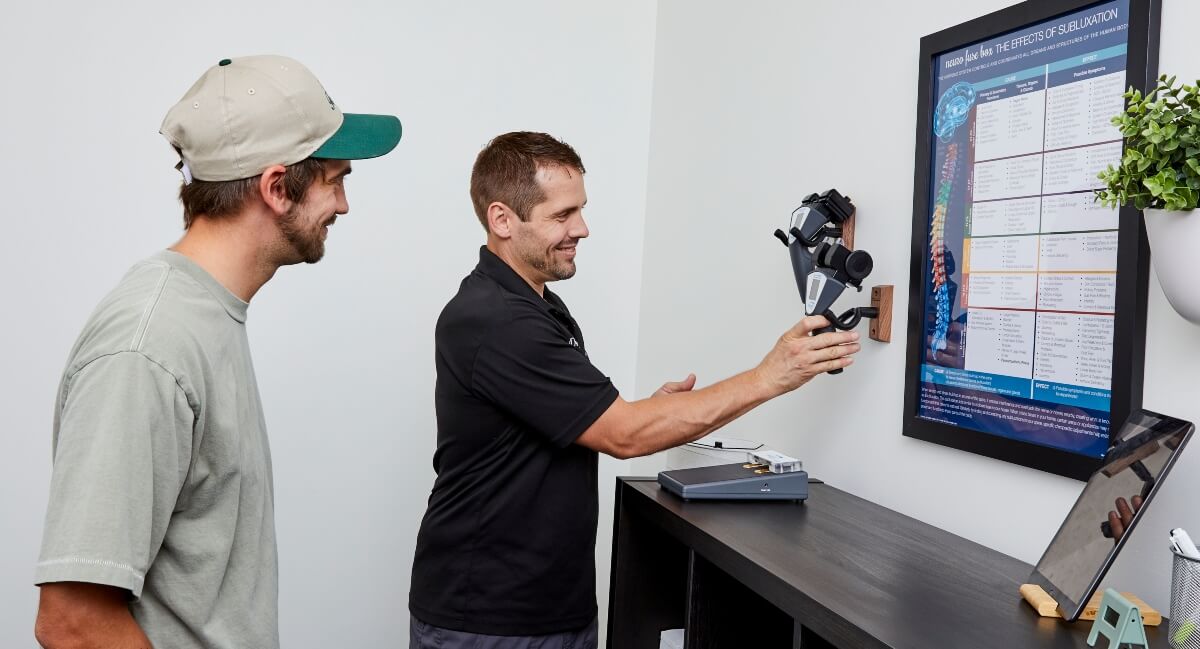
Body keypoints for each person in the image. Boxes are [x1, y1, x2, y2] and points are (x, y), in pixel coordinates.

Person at [409, 131, 859, 648]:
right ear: (502, 219)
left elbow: (587, 420)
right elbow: (623, 435)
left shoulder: (535, 306)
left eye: (581, 210)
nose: (582, 229)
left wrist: (653, 414)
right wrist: (768, 376)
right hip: (489, 619)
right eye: (562, 215)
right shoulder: (496, 319)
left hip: (550, 605)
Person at [33, 55, 401, 649]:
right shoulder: (149, 348)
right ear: (277, 188)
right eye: (337, 180)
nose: (344, 205)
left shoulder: (203, 317)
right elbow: (73, 622)